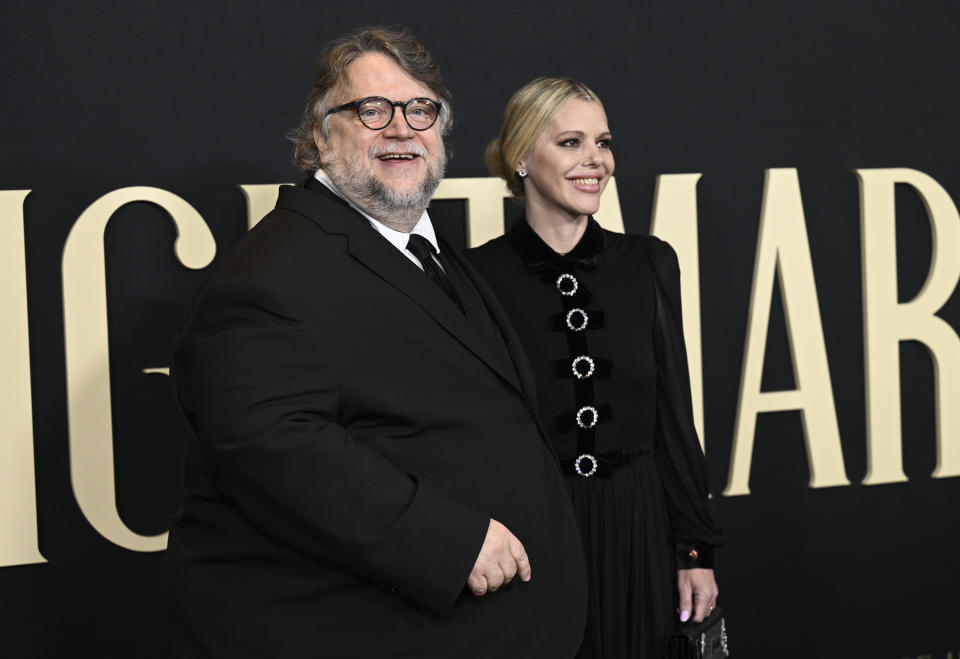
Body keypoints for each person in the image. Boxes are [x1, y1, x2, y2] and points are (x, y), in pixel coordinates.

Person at [164, 30, 587, 658]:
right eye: (371, 110)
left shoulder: (430, 254)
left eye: (421, 110)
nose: (401, 129)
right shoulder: (266, 276)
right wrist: (448, 540)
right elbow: (270, 445)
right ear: (318, 138)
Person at [465, 77, 724, 659]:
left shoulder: (648, 263)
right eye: (571, 143)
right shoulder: (474, 278)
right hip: (534, 531)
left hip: (639, 526)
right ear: (521, 157)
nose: (596, 162)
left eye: (603, 143)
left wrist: (694, 551)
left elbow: (673, 419)